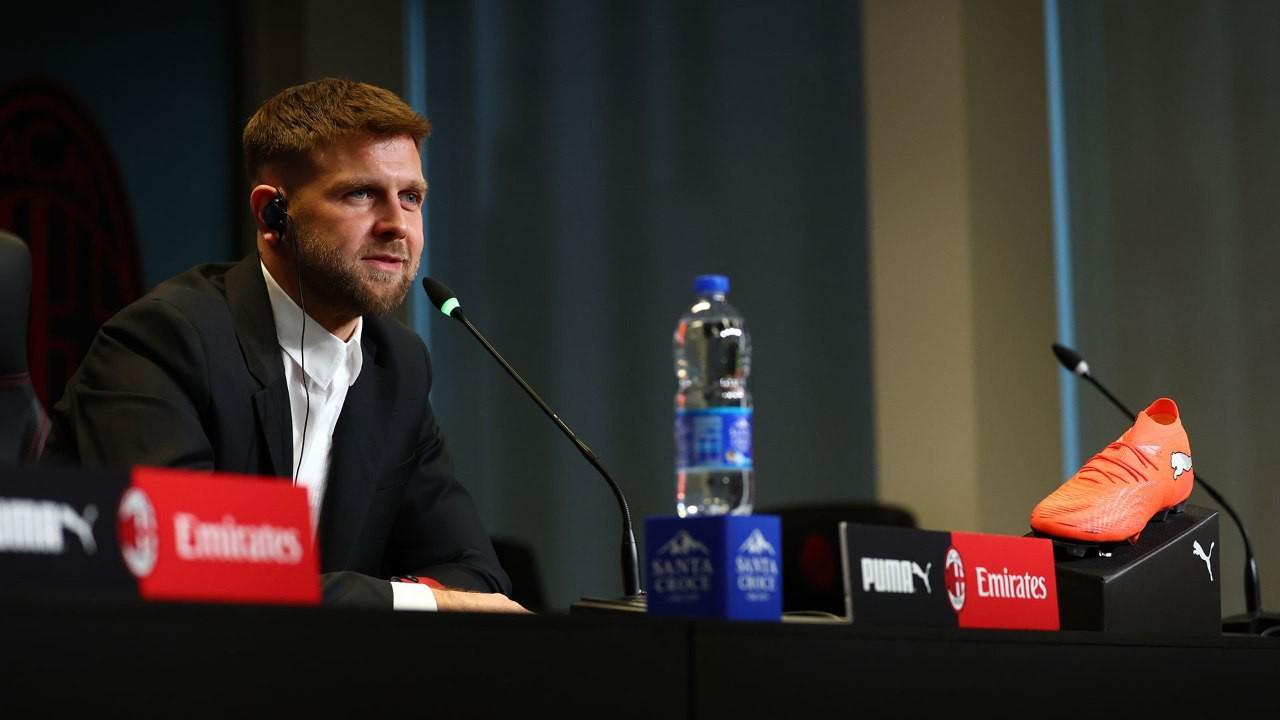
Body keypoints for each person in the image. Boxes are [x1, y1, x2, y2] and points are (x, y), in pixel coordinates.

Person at [44, 78, 525, 613]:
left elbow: (473, 572)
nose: (397, 225)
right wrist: (415, 601)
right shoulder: (163, 341)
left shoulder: (398, 364)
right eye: (361, 194)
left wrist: (411, 600)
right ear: (272, 214)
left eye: (411, 197)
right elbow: (181, 568)